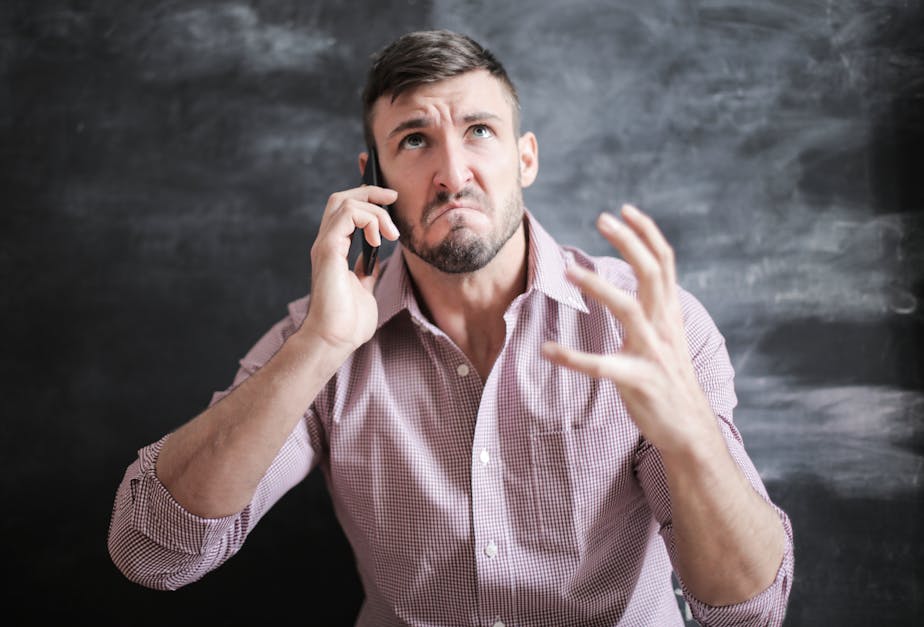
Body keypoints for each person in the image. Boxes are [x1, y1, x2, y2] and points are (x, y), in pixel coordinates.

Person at [108, 29, 794, 626]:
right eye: (415, 140)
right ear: (371, 178)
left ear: (525, 158)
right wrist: (318, 347)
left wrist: (690, 438)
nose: (451, 173)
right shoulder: (324, 336)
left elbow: (748, 612)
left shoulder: (646, 324)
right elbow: (153, 552)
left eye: (479, 131)